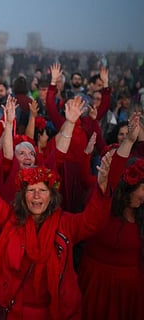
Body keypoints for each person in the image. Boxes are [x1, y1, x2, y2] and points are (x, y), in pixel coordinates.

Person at [0, 134, 113, 319]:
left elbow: (92, 220)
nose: (37, 196)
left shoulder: (65, 223)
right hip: (13, 309)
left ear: (52, 196)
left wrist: (102, 187)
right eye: (31, 191)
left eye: (42, 190)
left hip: (53, 312)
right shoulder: (12, 219)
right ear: (23, 196)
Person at [78, 114, 144, 320]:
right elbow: (117, 173)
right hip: (96, 285)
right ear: (128, 188)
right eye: (143, 190)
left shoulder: (141, 214)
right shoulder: (104, 201)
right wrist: (130, 141)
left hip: (130, 292)